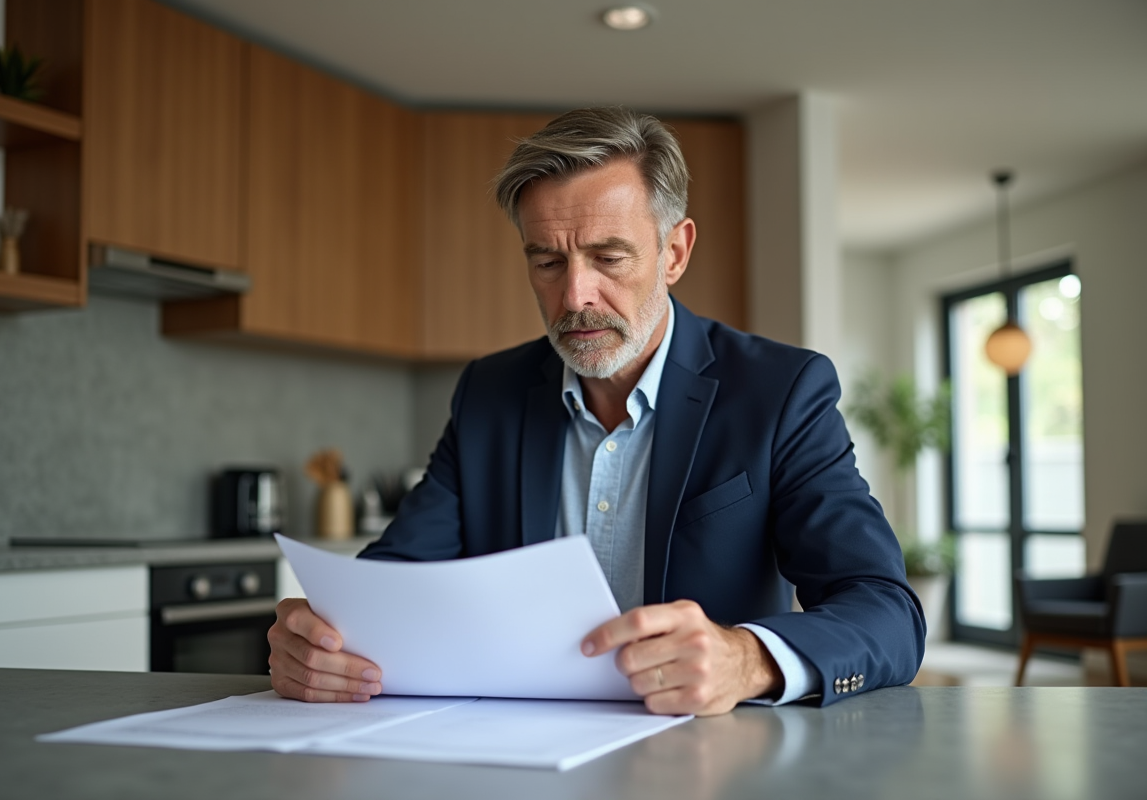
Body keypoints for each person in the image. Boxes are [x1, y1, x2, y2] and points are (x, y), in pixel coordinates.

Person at [268, 107, 925, 715]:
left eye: (609, 257)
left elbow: (886, 612)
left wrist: (748, 660)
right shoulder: (487, 394)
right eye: (547, 261)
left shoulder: (781, 391)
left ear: (674, 252)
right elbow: (397, 583)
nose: (575, 295)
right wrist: (324, 642)